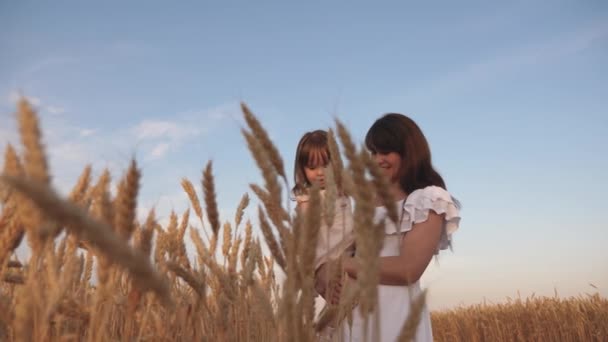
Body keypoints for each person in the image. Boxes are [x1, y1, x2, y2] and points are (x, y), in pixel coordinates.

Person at [337, 113, 461, 341]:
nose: (377, 160)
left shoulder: (428, 199)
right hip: (355, 314)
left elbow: (408, 269)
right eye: (373, 152)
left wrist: (342, 264)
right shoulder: (365, 200)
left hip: (397, 317)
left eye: (386, 151)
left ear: (409, 150)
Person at [292, 130, 355, 339]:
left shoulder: (344, 192)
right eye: (312, 167)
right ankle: (325, 330)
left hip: (351, 256)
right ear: (302, 169)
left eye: (326, 165)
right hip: (328, 263)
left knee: (353, 309)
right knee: (340, 305)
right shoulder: (309, 201)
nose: (320, 173)